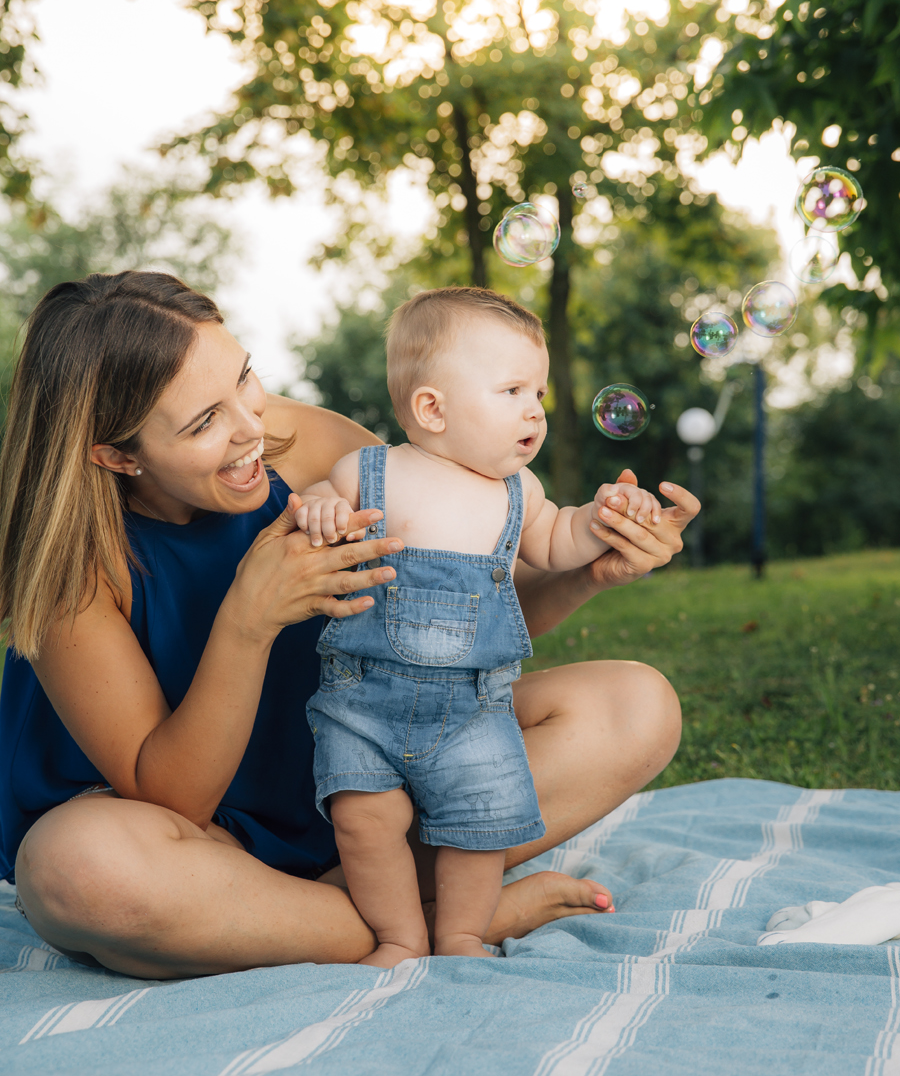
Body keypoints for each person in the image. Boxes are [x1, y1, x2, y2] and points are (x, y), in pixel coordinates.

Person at [0, 271, 695, 981]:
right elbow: (176, 797)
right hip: (200, 838)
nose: (250, 429)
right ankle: (451, 917)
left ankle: (313, 919)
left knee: (635, 706)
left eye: (245, 379)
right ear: (117, 456)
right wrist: (248, 619)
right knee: (76, 871)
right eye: (204, 422)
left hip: (371, 778)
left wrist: (589, 572)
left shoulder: (309, 447)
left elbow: (453, 619)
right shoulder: (70, 569)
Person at [297, 287, 665, 966]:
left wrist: (609, 517)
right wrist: (317, 510)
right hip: (363, 704)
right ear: (431, 408)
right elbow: (317, 502)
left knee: (480, 827)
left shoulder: (518, 494)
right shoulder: (368, 472)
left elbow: (558, 541)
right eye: (512, 390)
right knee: (362, 818)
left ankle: (463, 933)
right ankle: (399, 936)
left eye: (541, 395)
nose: (534, 410)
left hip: (474, 710)